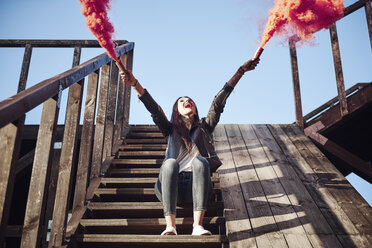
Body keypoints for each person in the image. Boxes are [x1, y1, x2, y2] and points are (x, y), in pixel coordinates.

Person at [120, 58, 259, 236]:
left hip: (198, 186)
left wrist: (240, 71)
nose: (187, 101)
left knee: (201, 162)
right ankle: (170, 226)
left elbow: (218, 103)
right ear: (176, 110)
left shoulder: (204, 127)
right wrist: (135, 84)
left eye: (190, 100)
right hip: (172, 186)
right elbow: (154, 109)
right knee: (170, 163)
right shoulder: (169, 128)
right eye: (182, 101)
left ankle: (197, 226)